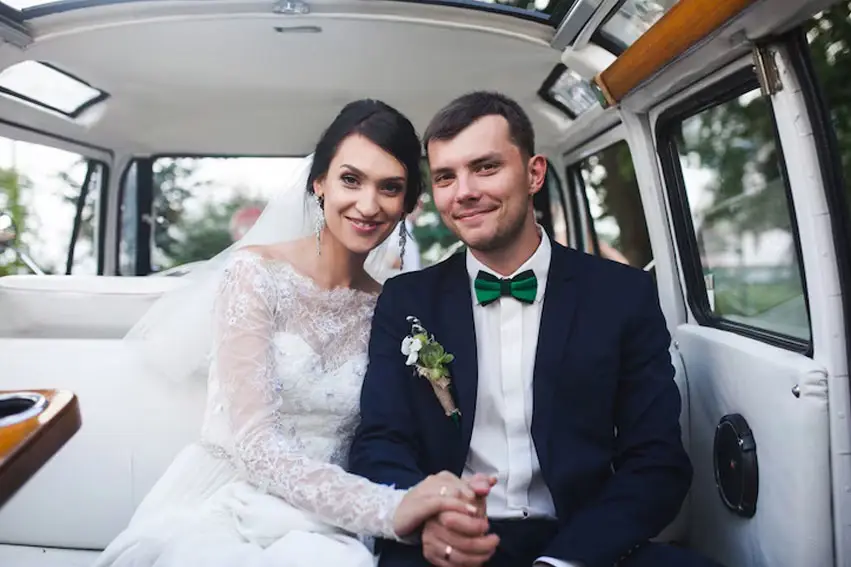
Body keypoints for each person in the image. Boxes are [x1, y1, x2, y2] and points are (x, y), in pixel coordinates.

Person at [93, 99, 493, 567]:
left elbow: (399, 430)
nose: (368, 204)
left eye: (390, 188)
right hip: (229, 498)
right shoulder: (255, 275)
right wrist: (390, 508)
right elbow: (256, 445)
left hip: (325, 518)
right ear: (319, 183)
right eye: (350, 179)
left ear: (407, 204)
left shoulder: (393, 308)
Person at [348, 92, 723, 567]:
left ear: (534, 174)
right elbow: (380, 442)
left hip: (583, 539)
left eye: (485, 167)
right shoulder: (406, 301)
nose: (463, 191)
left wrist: (565, 561)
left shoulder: (620, 294)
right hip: (453, 543)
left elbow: (657, 462)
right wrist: (429, 515)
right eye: (445, 176)